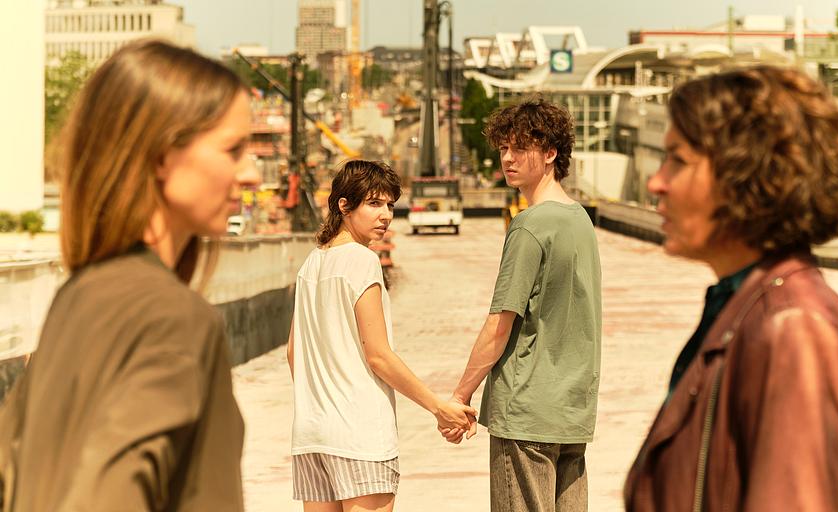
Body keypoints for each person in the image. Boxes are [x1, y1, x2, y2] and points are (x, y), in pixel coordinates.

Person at [0, 40, 259, 510]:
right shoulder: (173, 317)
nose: (253, 173)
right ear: (162, 155)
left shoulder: (79, 298)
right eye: (234, 149)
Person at [624, 66, 838, 511]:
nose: (656, 182)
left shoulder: (793, 329)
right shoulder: (747, 307)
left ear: (745, 175)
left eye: (678, 160)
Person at [286, 159, 477, 512]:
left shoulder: (310, 265)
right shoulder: (361, 261)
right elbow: (378, 355)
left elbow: (293, 352)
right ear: (344, 205)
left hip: (312, 435)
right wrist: (438, 408)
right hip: (360, 434)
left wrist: (322, 401)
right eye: (374, 203)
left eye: (390, 204)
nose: (386, 214)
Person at [443, 97, 603, 512]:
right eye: (503, 149)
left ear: (551, 153)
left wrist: (460, 396)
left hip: (527, 411)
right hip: (572, 411)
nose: (508, 159)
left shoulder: (531, 225)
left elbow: (500, 324)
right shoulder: (581, 220)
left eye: (520, 148)